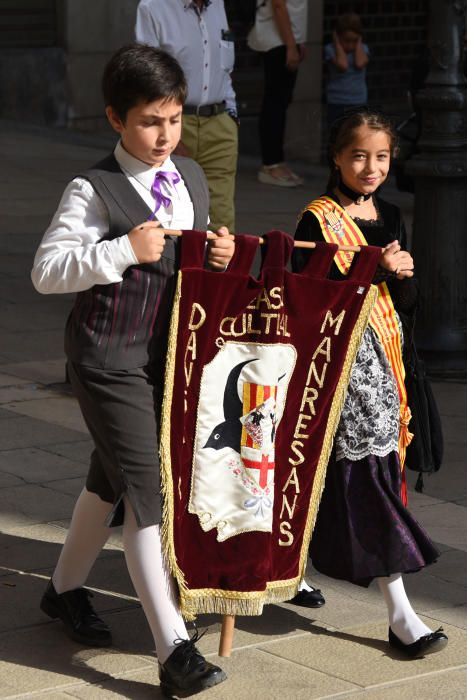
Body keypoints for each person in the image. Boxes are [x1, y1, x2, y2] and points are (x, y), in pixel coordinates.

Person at [31, 44, 234, 696]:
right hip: (105, 359)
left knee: (109, 482)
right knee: (148, 492)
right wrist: (121, 248)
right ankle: (172, 647)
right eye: (150, 121)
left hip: (166, 361)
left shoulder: (192, 178)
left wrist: (218, 256)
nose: (164, 135)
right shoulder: (91, 189)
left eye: (172, 119)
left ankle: (62, 590)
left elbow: (193, 272)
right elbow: (46, 271)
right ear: (116, 119)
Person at [292, 107, 448, 658]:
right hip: (335, 368)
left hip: (385, 361)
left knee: (356, 476)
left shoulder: (393, 213)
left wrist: (401, 277)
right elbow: (302, 296)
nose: (371, 166)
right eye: (359, 155)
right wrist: (368, 270)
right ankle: (400, 612)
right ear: (337, 157)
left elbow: (405, 305)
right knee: (354, 476)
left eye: (381, 156)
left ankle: (301, 568)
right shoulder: (317, 219)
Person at [135, 0, 238, 233]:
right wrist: (166, 130)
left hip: (220, 121)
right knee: (169, 210)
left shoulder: (218, 5)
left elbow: (225, 68)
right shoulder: (153, 7)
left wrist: (231, 116)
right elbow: (146, 78)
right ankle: (177, 268)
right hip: (174, 122)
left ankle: (219, 269)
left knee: (222, 218)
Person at [247, 0, 308, 187]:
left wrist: (299, 41)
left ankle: (277, 162)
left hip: (286, 39)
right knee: (275, 103)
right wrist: (291, 44)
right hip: (277, 40)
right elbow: (279, 5)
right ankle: (271, 164)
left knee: (280, 102)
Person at [324, 13, 369, 130]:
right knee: (337, 135)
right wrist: (337, 43)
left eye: (354, 41)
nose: (350, 45)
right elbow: (342, 65)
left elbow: (359, 63)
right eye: (346, 41)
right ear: (338, 37)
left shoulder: (363, 49)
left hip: (358, 101)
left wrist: (359, 43)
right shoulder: (331, 50)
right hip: (337, 101)